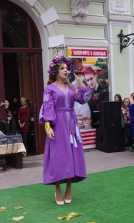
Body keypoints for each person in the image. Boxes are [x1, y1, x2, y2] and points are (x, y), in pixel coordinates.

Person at [39, 55, 93, 206]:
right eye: (62, 68)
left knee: (71, 156)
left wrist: (81, 81)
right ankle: (57, 188)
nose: (66, 70)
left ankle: (69, 188)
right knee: (57, 157)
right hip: (57, 124)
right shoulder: (49, 89)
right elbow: (47, 108)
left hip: (72, 125)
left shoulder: (71, 88)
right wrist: (48, 127)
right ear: (56, 71)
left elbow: (84, 98)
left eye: (66, 68)